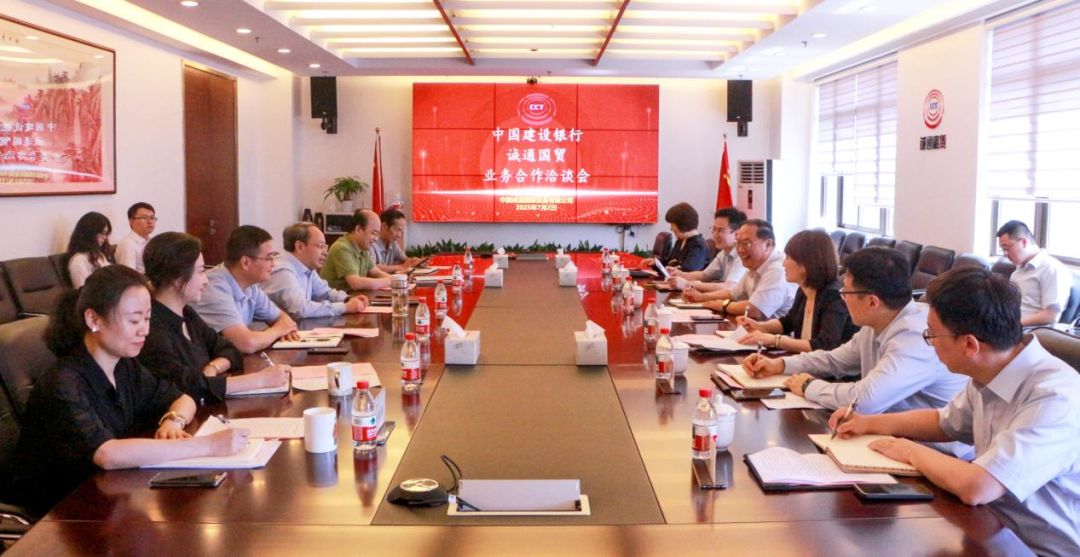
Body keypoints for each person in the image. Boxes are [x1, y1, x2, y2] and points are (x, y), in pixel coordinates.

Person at [833, 267, 1080, 556]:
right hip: (993, 530)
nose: (929, 343)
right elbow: (945, 422)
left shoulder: (1054, 398)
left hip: (1040, 550)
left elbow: (978, 487)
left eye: (932, 334)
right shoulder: (991, 369)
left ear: (969, 344)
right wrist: (868, 423)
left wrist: (908, 450)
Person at [8, 265, 250, 516]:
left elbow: (183, 399)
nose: (144, 330)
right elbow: (107, 454)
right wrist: (208, 446)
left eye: (147, 319)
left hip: (110, 495)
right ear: (94, 320)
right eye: (134, 320)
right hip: (58, 514)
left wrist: (173, 421)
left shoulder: (125, 366)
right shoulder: (63, 382)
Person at [742, 247, 969, 418]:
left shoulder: (916, 337)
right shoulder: (877, 324)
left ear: (872, 302)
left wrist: (808, 386)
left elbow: (865, 401)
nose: (842, 298)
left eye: (846, 293)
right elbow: (834, 360)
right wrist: (780, 365)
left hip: (932, 452)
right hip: (890, 436)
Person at [140, 232, 290, 404]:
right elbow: (185, 387)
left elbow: (230, 349)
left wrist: (213, 368)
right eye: (200, 272)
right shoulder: (151, 329)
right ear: (176, 278)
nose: (206, 280)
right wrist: (259, 380)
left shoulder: (187, 314)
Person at [734, 229, 858, 353]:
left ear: (805, 264)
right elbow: (788, 322)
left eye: (788, 258)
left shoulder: (834, 296)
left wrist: (775, 340)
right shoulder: (804, 290)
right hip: (804, 361)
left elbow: (825, 345)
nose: (783, 264)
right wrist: (760, 327)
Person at [191, 225, 299, 353]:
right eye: (269, 258)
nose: (273, 264)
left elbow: (283, 319)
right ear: (245, 262)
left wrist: (283, 328)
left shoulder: (250, 286)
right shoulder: (213, 288)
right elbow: (247, 344)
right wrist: (279, 330)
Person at [685, 219, 796, 320]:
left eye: (746, 243)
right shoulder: (755, 264)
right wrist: (701, 297)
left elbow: (755, 310)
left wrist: (722, 305)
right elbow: (733, 294)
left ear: (767, 244)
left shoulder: (778, 269)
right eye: (738, 243)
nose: (741, 250)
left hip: (772, 334)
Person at [263, 222, 368, 320]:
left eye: (325, 247)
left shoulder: (307, 267)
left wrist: (347, 299)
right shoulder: (283, 270)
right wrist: (345, 307)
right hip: (268, 331)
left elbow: (325, 293)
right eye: (320, 246)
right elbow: (301, 309)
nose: (325, 252)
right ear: (300, 246)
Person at [996, 220, 1073, 327]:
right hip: (1007, 325)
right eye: (1002, 250)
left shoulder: (1051, 268)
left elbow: (1052, 315)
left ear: (1024, 242)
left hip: (1029, 330)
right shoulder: (1018, 271)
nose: (1005, 254)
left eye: (1007, 248)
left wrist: (1013, 326)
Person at [666, 207, 747, 292]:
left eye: (720, 230)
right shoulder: (723, 253)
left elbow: (729, 287)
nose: (715, 235)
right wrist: (679, 274)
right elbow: (704, 275)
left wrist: (687, 284)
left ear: (736, 234)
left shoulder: (742, 255)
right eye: (714, 229)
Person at [320, 209, 392, 291]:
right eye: (373, 233)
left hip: (352, 297)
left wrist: (398, 280)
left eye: (377, 234)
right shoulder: (342, 248)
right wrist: (389, 281)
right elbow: (356, 283)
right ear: (358, 229)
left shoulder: (363, 248)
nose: (376, 239)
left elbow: (376, 273)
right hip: (336, 298)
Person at [639, 203, 709, 272]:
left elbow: (688, 271)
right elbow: (668, 262)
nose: (671, 229)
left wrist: (673, 266)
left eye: (672, 225)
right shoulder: (680, 241)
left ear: (682, 224)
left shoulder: (699, 245)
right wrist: (656, 263)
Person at [66, 212, 113, 288]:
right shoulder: (79, 260)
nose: (105, 237)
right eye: (102, 233)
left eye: (106, 234)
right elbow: (84, 290)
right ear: (90, 233)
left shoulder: (99, 255)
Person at [371, 209, 423, 273]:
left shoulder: (393, 244)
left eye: (401, 231)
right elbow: (371, 267)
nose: (399, 235)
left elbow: (405, 260)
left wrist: (417, 262)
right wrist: (400, 267)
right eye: (397, 230)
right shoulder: (371, 243)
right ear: (384, 226)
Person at [114, 202, 157, 273]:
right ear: (132, 222)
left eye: (152, 218)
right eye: (144, 218)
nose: (150, 221)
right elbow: (129, 275)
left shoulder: (152, 241)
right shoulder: (127, 245)